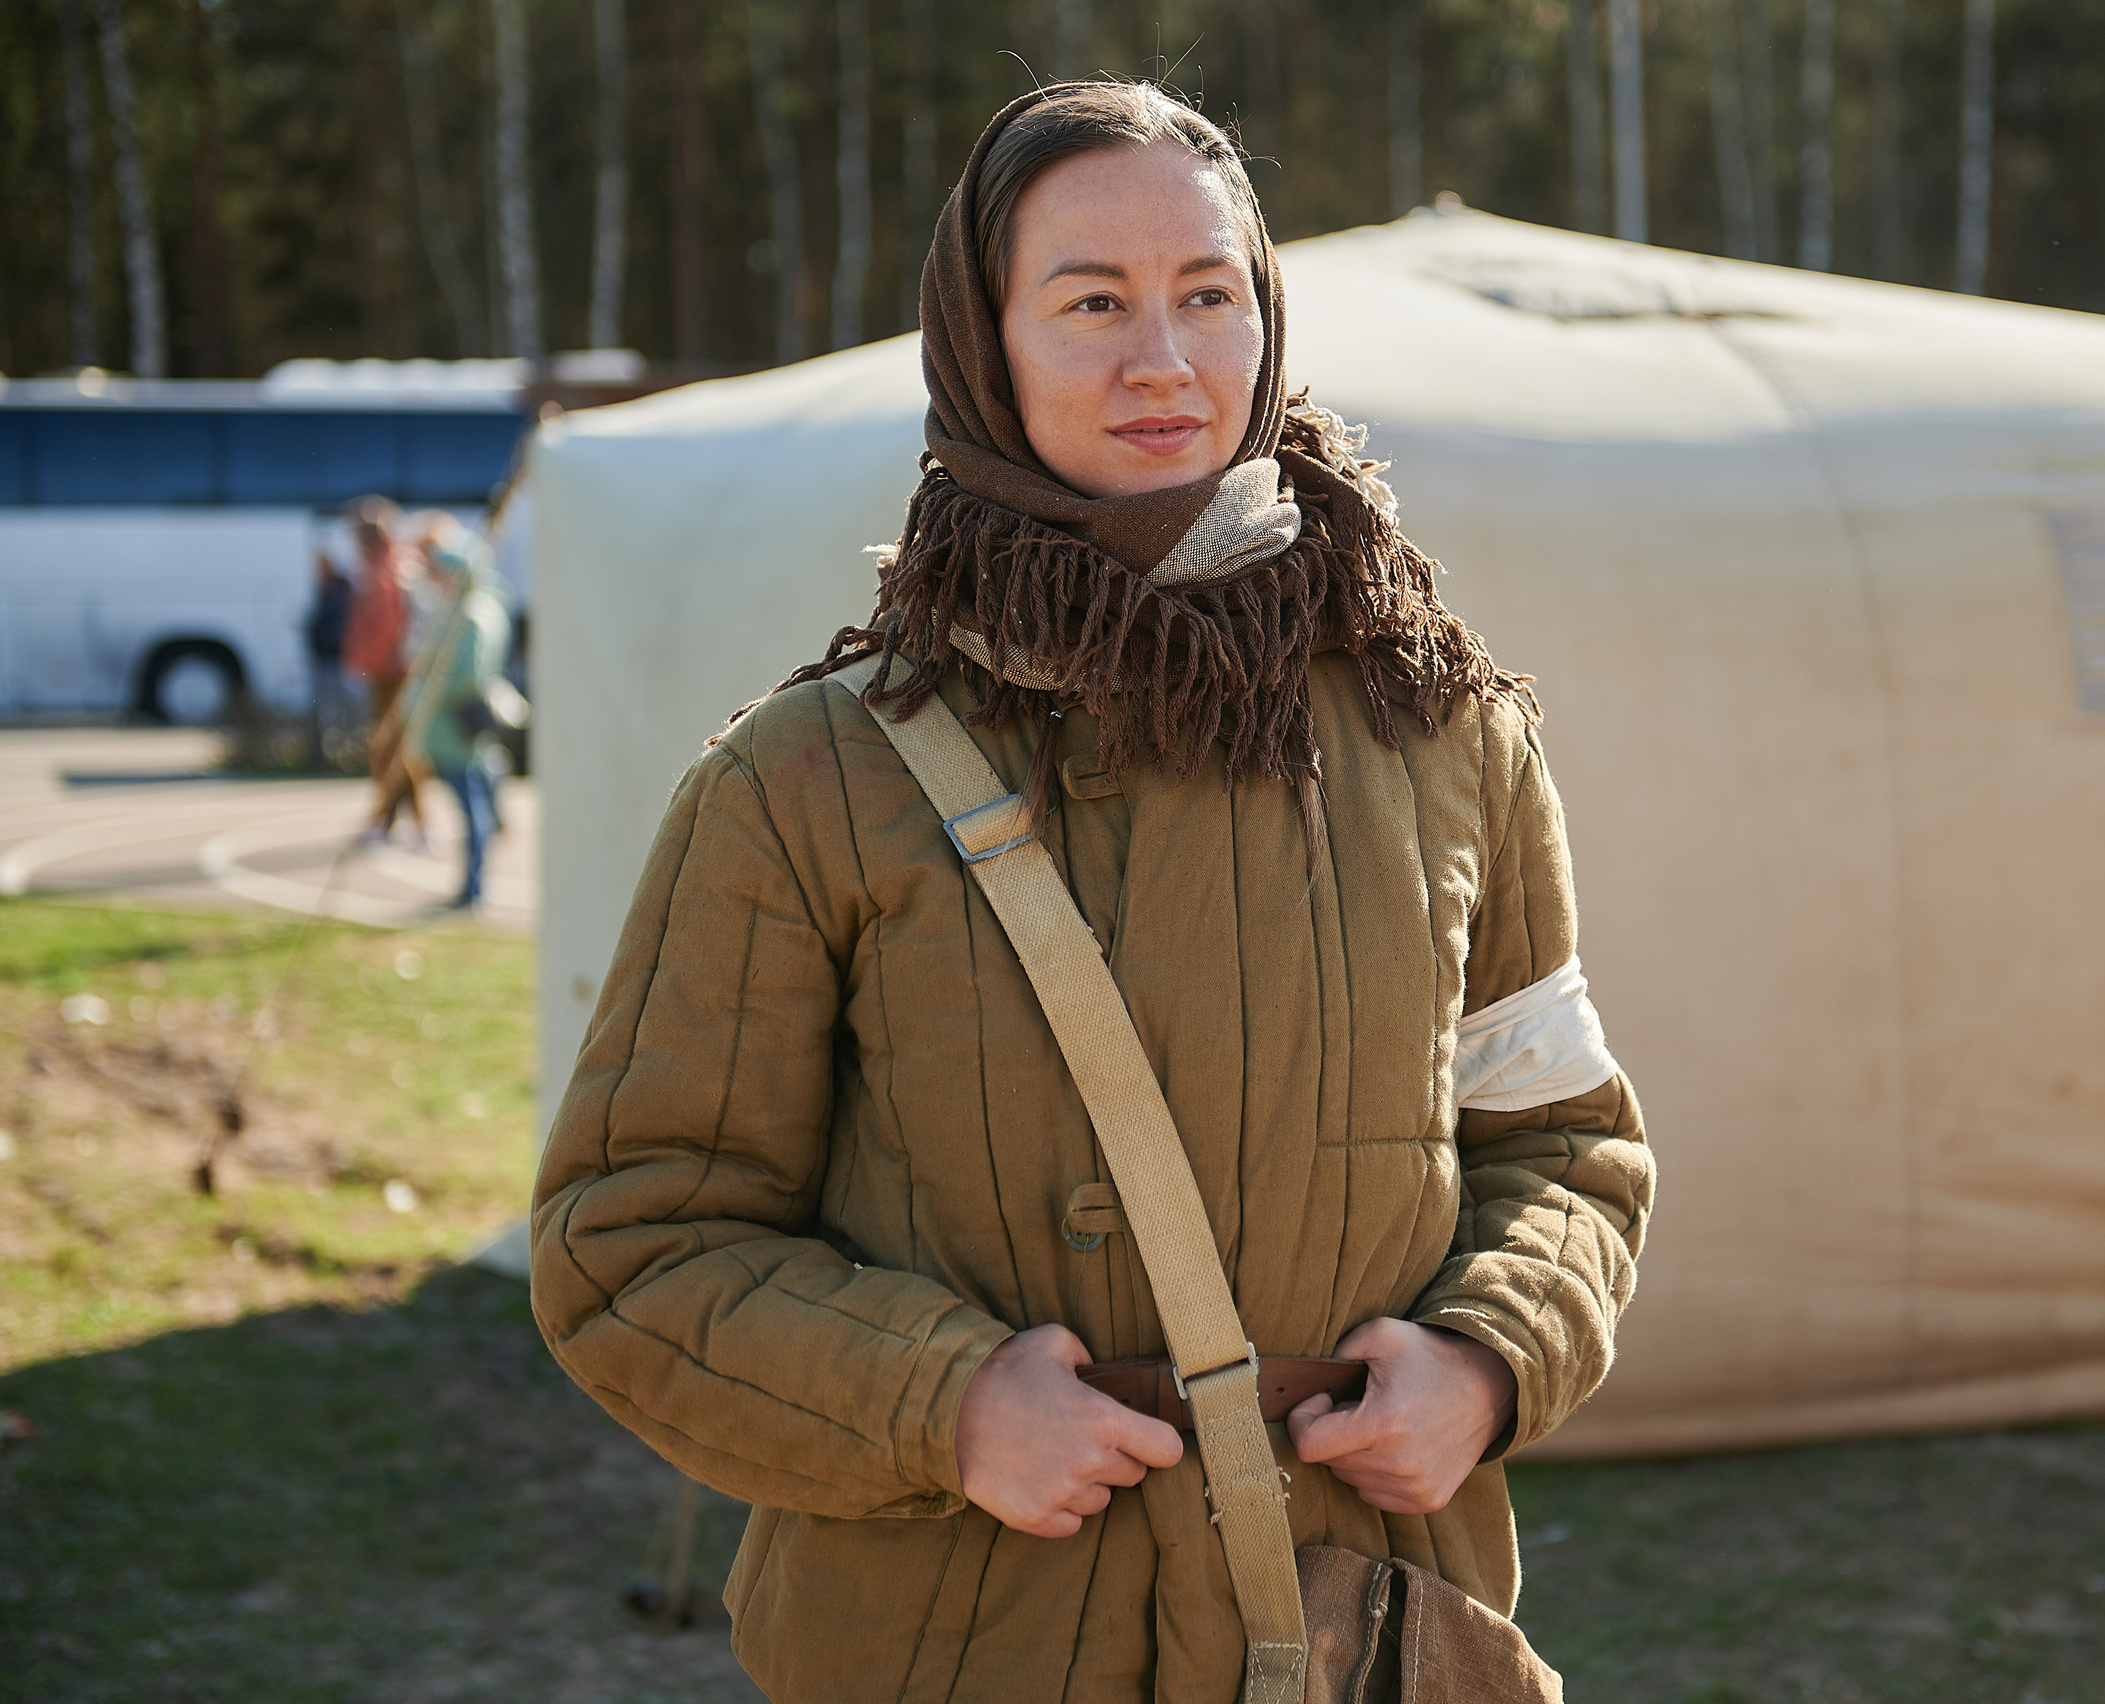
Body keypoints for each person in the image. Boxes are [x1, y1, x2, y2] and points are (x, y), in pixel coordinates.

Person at [530, 82, 1653, 1703]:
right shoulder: (806, 778)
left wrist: (1488, 1356)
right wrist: (942, 1402)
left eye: (1209, 294)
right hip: (959, 1641)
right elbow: (633, 1240)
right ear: (982, 345)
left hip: (1352, 1626)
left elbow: (1567, 1147)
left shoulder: (1448, 733)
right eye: (1093, 303)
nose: (1166, 360)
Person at [401, 528, 512, 910]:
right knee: (474, 800)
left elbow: (467, 676)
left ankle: (473, 888)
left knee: (470, 806)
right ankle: (473, 885)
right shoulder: (478, 608)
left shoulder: (469, 616)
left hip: (454, 725)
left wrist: (428, 689)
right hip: (459, 722)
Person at [341, 498, 427, 846]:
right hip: (393, 671)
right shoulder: (391, 563)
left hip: (391, 673)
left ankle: (396, 821)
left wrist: (362, 662)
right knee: (395, 748)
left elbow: (384, 627)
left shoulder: (384, 570)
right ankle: (398, 821)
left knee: (389, 749)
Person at [301, 551, 353, 768]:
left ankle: (339, 754)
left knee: (334, 707)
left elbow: (336, 625)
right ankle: (329, 753)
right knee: (325, 707)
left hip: (334, 656)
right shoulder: (325, 590)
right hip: (324, 655)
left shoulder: (338, 591)